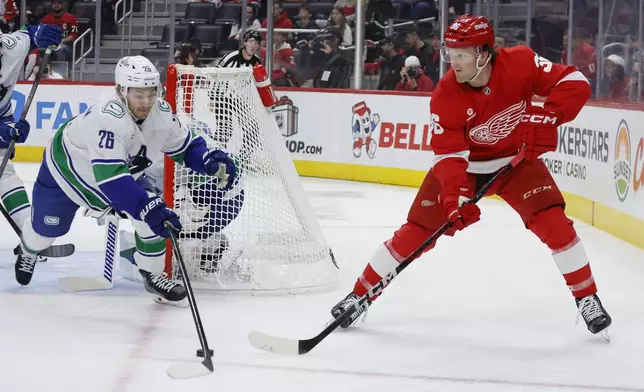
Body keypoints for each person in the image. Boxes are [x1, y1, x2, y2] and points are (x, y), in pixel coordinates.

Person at [330, 15, 612, 338]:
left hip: (516, 164)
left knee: (555, 224)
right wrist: (452, 199)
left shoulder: (520, 62)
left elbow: (575, 82)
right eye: (450, 53)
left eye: (461, 55)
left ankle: (587, 298)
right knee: (415, 234)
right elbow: (449, 157)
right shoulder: (446, 93)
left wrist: (549, 117)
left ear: (483, 53)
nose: (454, 63)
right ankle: (360, 295)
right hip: (466, 170)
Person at [16, 56, 238, 305]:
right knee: (46, 231)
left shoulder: (160, 112)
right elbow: (111, 180)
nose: (146, 102)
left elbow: (185, 146)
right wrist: (147, 207)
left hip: (119, 175)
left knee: (151, 215)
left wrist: (208, 159)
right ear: (121, 91)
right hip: (68, 173)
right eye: (138, 95)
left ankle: (153, 275)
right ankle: (27, 250)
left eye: (151, 93)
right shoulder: (107, 116)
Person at [0, 24, 63, 258]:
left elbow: (30, 34)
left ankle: (31, 236)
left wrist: (44, 32)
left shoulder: (10, 47)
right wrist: (2, 131)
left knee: (4, 172)